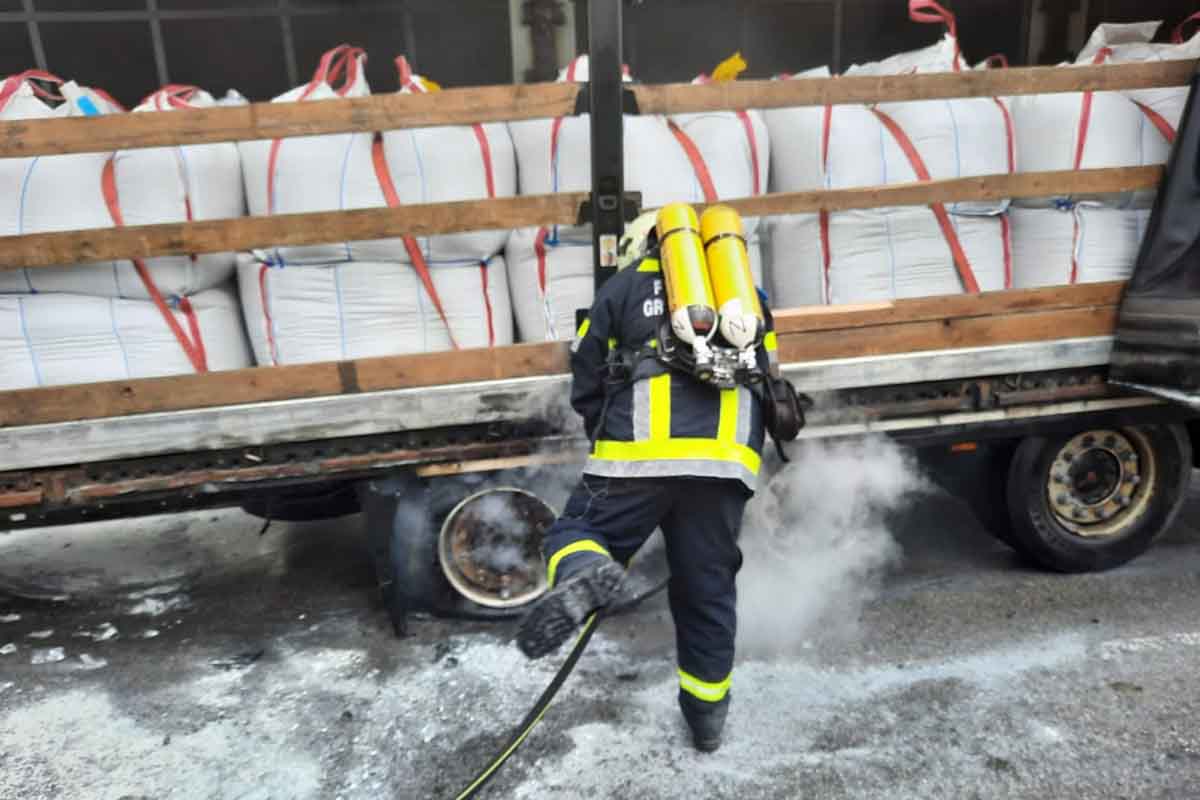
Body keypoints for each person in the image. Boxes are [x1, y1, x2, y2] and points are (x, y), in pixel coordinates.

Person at [516, 208, 786, 753]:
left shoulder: (624, 286)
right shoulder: (747, 298)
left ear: (647, 245)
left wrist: (600, 428)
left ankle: (588, 572)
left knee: (572, 533)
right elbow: (773, 383)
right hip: (724, 464)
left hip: (636, 457)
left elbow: (586, 366)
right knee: (706, 590)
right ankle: (707, 720)